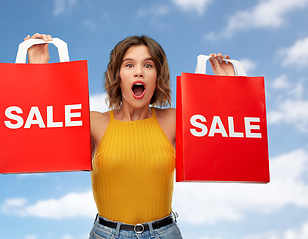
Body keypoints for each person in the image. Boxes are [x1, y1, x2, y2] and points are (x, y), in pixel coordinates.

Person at [24, 33, 235, 239]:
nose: (139, 72)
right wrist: (37, 70)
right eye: (129, 65)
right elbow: (43, 132)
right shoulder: (93, 122)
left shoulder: (174, 119)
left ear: (157, 75)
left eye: (148, 65)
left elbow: (225, 145)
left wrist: (228, 88)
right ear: (117, 75)